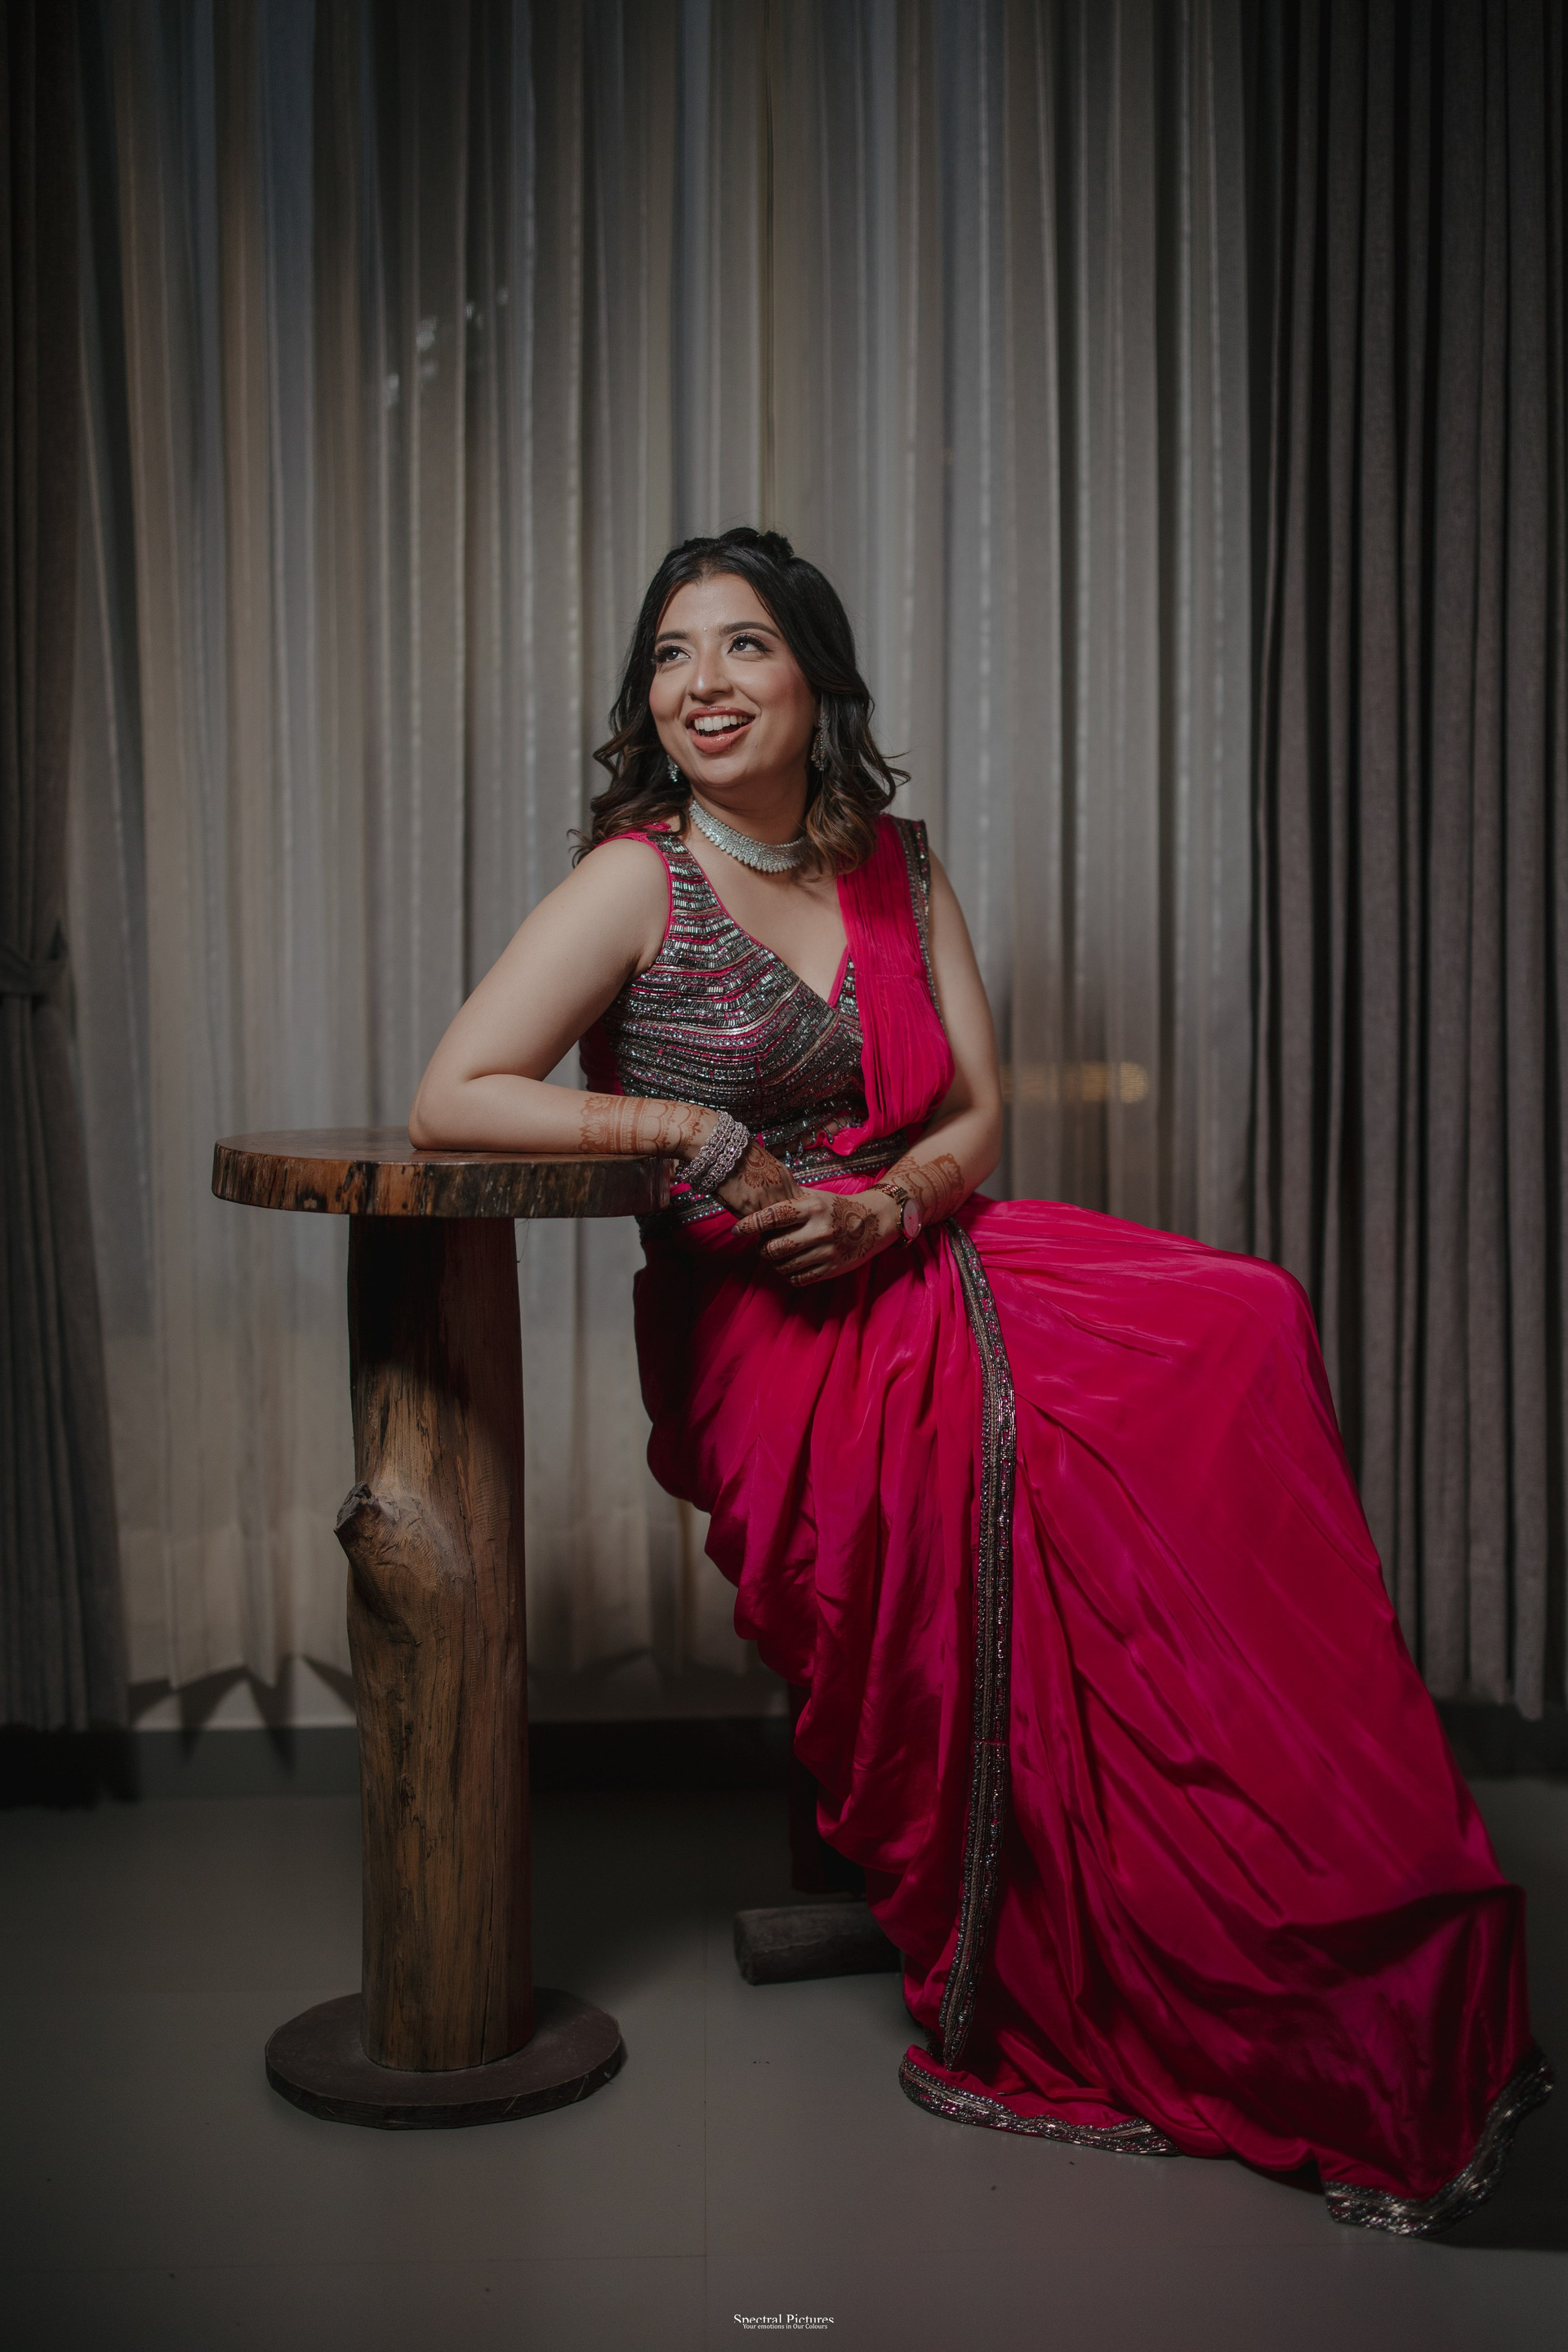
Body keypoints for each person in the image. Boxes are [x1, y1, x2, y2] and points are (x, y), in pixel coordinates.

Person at [411, 525, 1549, 2235]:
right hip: (761, 1323)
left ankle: (1262, 1866)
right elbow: (457, 1091)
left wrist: (888, 1209)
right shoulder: (638, 879)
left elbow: (976, 1115)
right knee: (984, 1496)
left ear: (818, 678)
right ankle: (1040, 1886)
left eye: (743, 646)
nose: (702, 684)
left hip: (917, 1247)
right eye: (670, 656)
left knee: (1238, 1319)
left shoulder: (898, 861)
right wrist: (691, 1129)